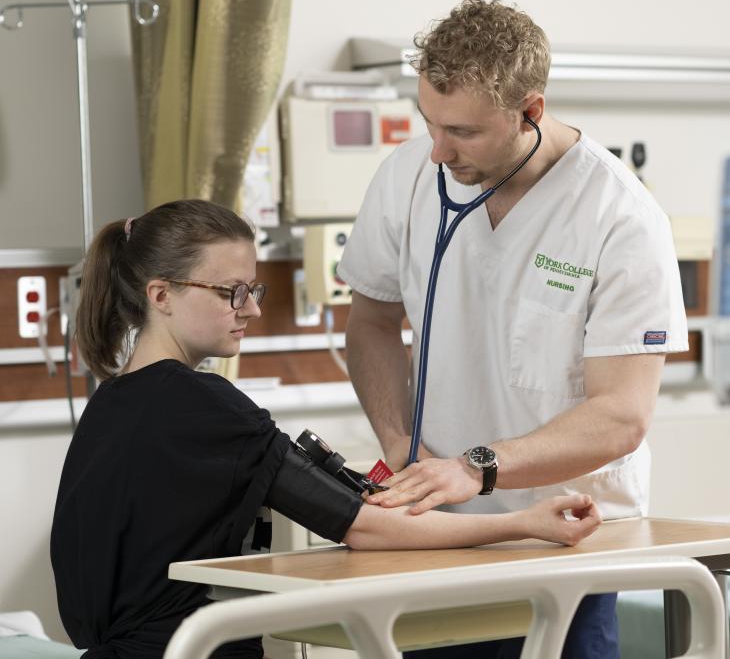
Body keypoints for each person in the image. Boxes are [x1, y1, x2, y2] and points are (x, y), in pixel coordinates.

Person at [50, 199, 600, 659]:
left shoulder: (109, 405)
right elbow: (364, 527)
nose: (251, 310)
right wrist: (525, 524)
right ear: (160, 294)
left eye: (253, 291)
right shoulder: (202, 404)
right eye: (230, 293)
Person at [337, 0, 688, 658]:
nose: (438, 150)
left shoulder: (620, 219)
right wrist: (398, 440)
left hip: (566, 545)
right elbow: (373, 320)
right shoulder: (409, 176)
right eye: (428, 122)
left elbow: (621, 416)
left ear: (531, 111)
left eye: (463, 132)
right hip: (436, 537)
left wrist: (478, 467)